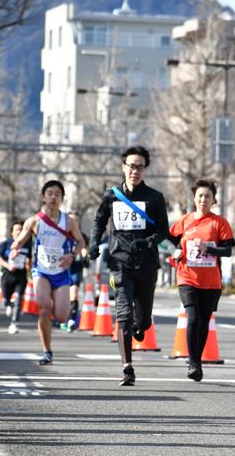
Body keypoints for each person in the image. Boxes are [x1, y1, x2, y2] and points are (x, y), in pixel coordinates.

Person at [89, 146, 170, 386]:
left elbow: (163, 230)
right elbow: (98, 221)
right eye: (131, 166)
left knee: (143, 319)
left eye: (140, 166)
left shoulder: (155, 197)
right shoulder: (111, 196)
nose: (135, 170)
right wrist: (94, 244)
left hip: (146, 263)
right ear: (123, 167)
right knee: (123, 313)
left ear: (145, 169)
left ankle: (140, 324)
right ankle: (127, 368)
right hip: (120, 260)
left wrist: (149, 241)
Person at [10, 180, 85, 364]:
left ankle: (69, 318)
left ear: (62, 199)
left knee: (60, 315)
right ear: (43, 197)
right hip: (41, 271)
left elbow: (81, 242)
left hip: (60, 272)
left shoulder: (69, 221)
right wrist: (15, 249)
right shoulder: (34, 220)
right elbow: (19, 240)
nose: (53, 197)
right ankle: (47, 351)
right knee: (44, 307)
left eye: (57, 194)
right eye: (50, 193)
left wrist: (71, 255)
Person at [169, 179, 235, 381]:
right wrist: (176, 252)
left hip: (211, 281)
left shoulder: (219, 223)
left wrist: (210, 248)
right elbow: (169, 242)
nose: (203, 199)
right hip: (187, 276)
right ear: (194, 198)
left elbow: (228, 250)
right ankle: (193, 362)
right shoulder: (184, 221)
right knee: (194, 318)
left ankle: (196, 361)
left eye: (207, 196)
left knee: (204, 322)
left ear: (214, 199)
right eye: (200, 195)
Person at [0, 221, 32, 334]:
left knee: (19, 299)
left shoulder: (27, 244)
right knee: (6, 298)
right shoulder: (5, 244)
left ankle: (13, 323)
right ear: (12, 232)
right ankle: (8, 304)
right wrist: (7, 265)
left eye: (21, 229)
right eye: (17, 229)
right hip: (7, 275)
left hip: (21, 275)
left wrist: (29, 271)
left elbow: (29, 260)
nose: (19, 232)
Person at [60, 212, 89, 332]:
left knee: (74, 294)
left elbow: (84, 250)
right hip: (62, 269)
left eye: (76, 220)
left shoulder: (82, 236)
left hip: (76, 268)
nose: (74, 223)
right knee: (63, 296)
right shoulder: (61, 234)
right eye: (71, 220)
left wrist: (84, 255)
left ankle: (71, 320)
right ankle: (63, 319)